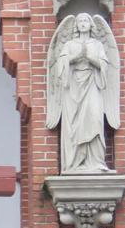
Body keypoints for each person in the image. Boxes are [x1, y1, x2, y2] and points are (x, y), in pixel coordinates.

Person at [46, 12, 119, 173]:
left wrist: (90, 59)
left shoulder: (98, 44)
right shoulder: (69, 44)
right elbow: (61, 67)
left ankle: (96, 161)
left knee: (95, 118)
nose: (83, 23)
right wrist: (76, 57)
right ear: (76, 26)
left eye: (86, 20)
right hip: (72, 87)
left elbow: (105, 66)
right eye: (80, 21)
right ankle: (74, 164)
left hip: (93, 84)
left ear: (91, 24)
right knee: (74, 124)